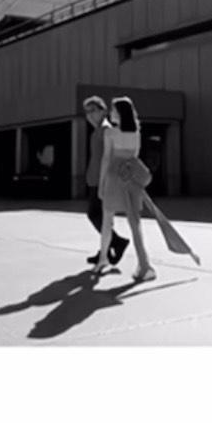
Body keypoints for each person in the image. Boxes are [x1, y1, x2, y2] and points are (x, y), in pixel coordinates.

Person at [93, 96, 155, 283]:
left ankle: (103, 259)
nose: (110, 113)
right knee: (135, 223)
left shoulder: (110, 133)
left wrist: (101, 184)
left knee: (107, 220)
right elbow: (135, 157)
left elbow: (106, 159)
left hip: (113, 178)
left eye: (113, 110)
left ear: (120, 113)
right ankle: (144, 264)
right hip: (130, 179)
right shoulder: (136, 133)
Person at [82, 96, 130, 267]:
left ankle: (117, 242)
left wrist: (107, 181)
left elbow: (110, 157)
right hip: (94, 179)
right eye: (87, 112)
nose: (89, 115)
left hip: (103, 180)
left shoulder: (106, 130)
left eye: (93, 110)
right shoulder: (96, 131)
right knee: (102, 217)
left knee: (95, 215)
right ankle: (106, 251)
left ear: (103, 111)